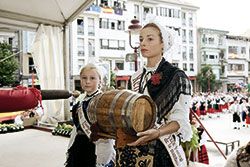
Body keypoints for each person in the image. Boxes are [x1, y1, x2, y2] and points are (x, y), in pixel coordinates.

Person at [115, 22, 192, 167]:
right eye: (141, 39)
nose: (143, 43)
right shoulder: (135, 77)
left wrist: (157, 132)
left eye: (150, 39)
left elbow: (180, 119)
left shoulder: (176, 77)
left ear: (163, 44)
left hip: (162, 149)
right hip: (135, 147)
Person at [65, 63, 115, 167]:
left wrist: (103, 159)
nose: (87, 82)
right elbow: (76, 128)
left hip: (95, 147)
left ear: (100, 81)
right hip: (79, 145)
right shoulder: (80, 101)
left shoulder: (103, 101)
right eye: (84, 78)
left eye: (92, 78)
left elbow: (107, 134)